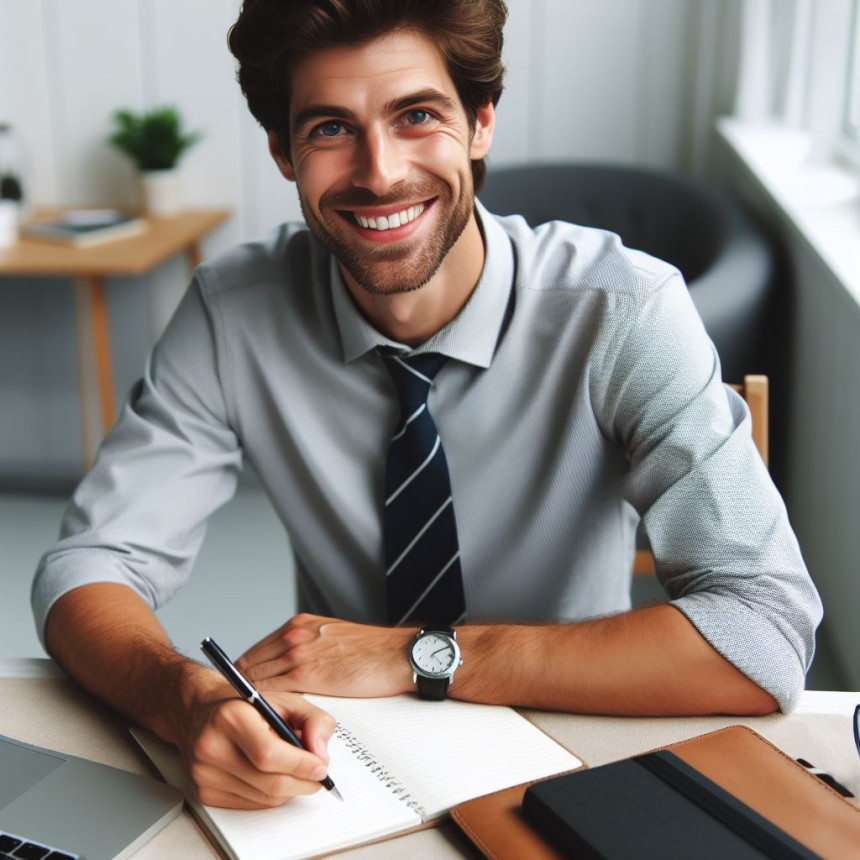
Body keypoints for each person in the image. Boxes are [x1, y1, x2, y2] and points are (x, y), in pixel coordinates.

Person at [33, 0, 821, 811]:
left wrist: (419, 655)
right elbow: (87, 567)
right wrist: (184, 697)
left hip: (577, 741)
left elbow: (765, 632)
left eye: (416, 115)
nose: (378, 172)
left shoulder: (624, 308)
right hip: (338, 766)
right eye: (331, 129)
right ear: (281, 151)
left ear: (481, 124)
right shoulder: (233, 312)